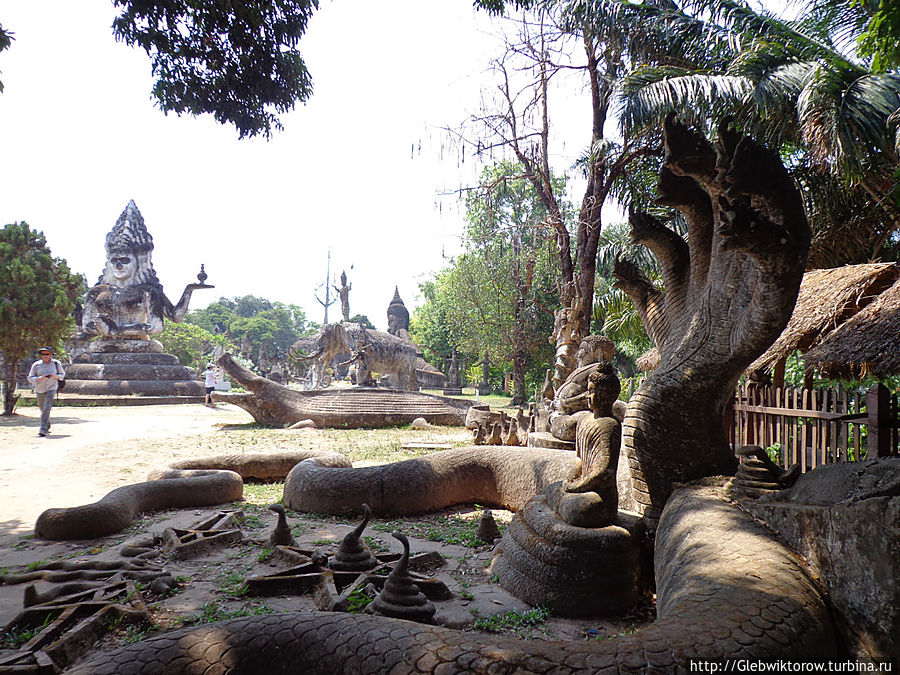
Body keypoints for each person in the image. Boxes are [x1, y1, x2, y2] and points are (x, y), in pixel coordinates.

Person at [28, 347, 65, 437]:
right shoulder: (36, 365)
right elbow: (30, 377)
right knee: (42, 409)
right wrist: (38, 378)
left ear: (51, 355)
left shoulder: (56, 363)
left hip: (52, 387)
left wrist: (55, 376)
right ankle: (47, 423)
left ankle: (42, 429)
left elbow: (62, 375)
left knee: (47, 407)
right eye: (43, 354)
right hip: (39, 388)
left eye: (47, 354)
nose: (45, 356)